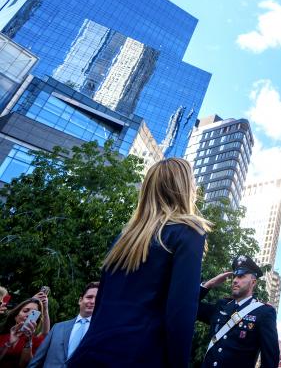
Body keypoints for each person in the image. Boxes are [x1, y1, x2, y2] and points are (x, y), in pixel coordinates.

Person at [67, 158, 211, 368]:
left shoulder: (124, 237)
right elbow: (180, 313)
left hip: (90, 352)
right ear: (184, 187)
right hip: (140, 356)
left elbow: (101, 303)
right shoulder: (189, 231)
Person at [197, 255, 279, 368]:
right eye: (234, 276)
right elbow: (188, 307)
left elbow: (270, 360)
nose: (235, 280)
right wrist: (208, 284)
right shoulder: (221, 305)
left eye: (241, 276)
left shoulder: (264, 312)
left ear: (253, 282)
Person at [27, 282, 98, 368]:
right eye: (89, 297)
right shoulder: (57, 327)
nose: (93, 301)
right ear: (80, 300)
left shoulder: (104, 332)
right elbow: (37, 360)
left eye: (98, 298)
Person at [0, 294, 50, 368]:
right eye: (26, 310)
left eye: (34, 313)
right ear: (16, 317)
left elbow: (26, 365)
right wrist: (8, 344)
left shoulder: (35, 341)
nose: (29, 314)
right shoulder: (2, 336)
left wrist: (28, 342)